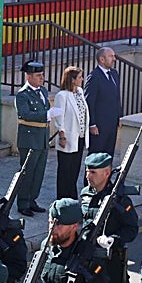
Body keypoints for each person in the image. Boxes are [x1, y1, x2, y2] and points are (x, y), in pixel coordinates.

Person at [80, 152, 141, 283]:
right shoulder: (85, 194)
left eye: (93, 172)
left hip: (111, 258)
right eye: (88, 171)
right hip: (89, 257)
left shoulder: (120, 199)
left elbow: (132, 229)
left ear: (107, 173)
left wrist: (113, 239)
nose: (89, 176)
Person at [14, 62, 51, 216]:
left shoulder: (42, 91)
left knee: (38, 172)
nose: (42, 78)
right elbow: (25, 114)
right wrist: (46, 115)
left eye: (42, 75)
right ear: (28, 77)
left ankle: (32, 200)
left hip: (42, 138)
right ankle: (23, 203)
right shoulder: (22, 94)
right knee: (27, 172)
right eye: (38, 75)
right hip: (29, 139)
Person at [50, 66, 89, 200]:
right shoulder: (62, 95)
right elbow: (59, 117)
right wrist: (62, 136)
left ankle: (72, 196)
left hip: (80, 136)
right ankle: (63, 197)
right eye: (79, 77)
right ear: (72, 80)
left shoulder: (80, 92)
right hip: (67, 137)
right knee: (65, 170)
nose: (82, 80)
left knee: (75, 168)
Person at [84, 47, 122, 156]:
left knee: (108, 155)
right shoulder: (94, 77)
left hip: (112, 124)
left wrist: (119, 116)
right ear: (102, 59)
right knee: (96, 156)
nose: (114, 59)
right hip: (99, 126)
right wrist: (92, 124)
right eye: (111, 56)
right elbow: (89, 101)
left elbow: (116, 97)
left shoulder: (114, 74)